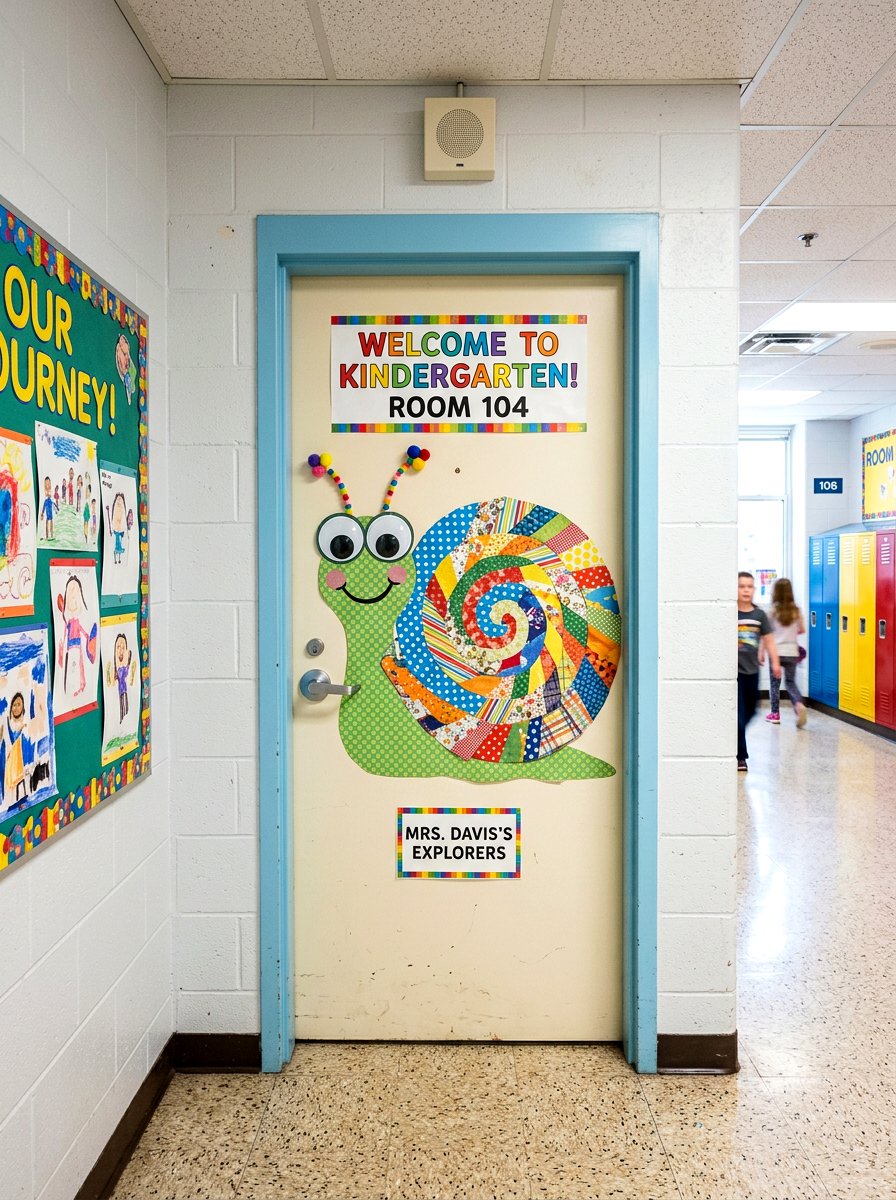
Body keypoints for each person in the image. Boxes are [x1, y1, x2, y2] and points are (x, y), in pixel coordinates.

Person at [738, 571, 780, 772]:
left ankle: (735, 736)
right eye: (741, 586)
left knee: (752, 711)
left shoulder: (759, 615)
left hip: (751, 672)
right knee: (738, 715)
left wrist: (776, 663)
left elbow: (769, 640)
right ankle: (741, 756)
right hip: (734, 674)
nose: (746, 590)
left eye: (749, 586)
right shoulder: (731, 613)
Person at [764, 577, 807, 728]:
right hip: (792, 652)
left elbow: (767, 634)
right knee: (790, 682)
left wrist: (762, 651)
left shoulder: (772, 611)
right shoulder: (797, 610)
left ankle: (774, 714)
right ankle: (798, 705)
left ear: (775, 592)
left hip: (776, 652)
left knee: (774, 684)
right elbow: (802, 630)